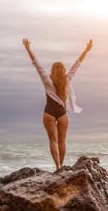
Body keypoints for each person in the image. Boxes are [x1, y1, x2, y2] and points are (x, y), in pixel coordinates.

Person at [22, 38, 93, 170]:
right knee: (62, 141)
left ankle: (58, 166)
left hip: (49, 112)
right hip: (62, 113)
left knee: (53, 141)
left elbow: (37, 64)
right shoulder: (67, 79)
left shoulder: (47, 79)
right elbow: (77, 64)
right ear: (63, 70)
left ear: (53, 70)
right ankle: (61, 166)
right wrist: (86, 50)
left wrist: (28, 49)